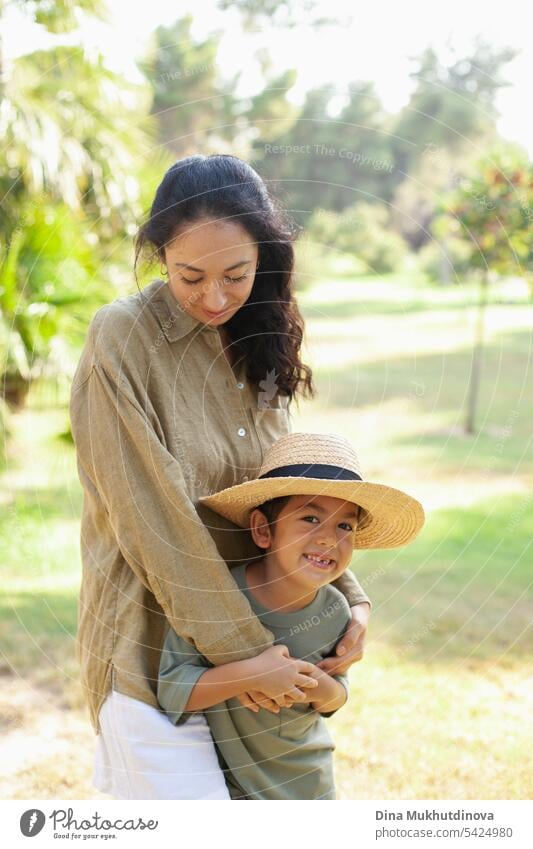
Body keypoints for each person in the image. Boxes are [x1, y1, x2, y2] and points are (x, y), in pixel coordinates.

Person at [69, 154, 372, 801]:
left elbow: (291, 491)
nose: (214, 296)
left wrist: (352, 602)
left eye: (235, 273)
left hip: (263, 666)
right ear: (158, 257)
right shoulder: (121, 337)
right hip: (157, 662)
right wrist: (249, 656)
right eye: (189, 275)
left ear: (265, 255)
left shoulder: (259, 339)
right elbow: (154, 521)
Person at [158, 431, 425, 799]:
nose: (329, 539)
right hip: (238, 793)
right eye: (311, 518)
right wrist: (252, 674)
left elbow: (336, 696)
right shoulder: (220, 601)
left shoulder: (336, 613)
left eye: (344, 525)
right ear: (263, 530)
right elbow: (173, 690)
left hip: (312, 785)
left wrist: (315, 684)